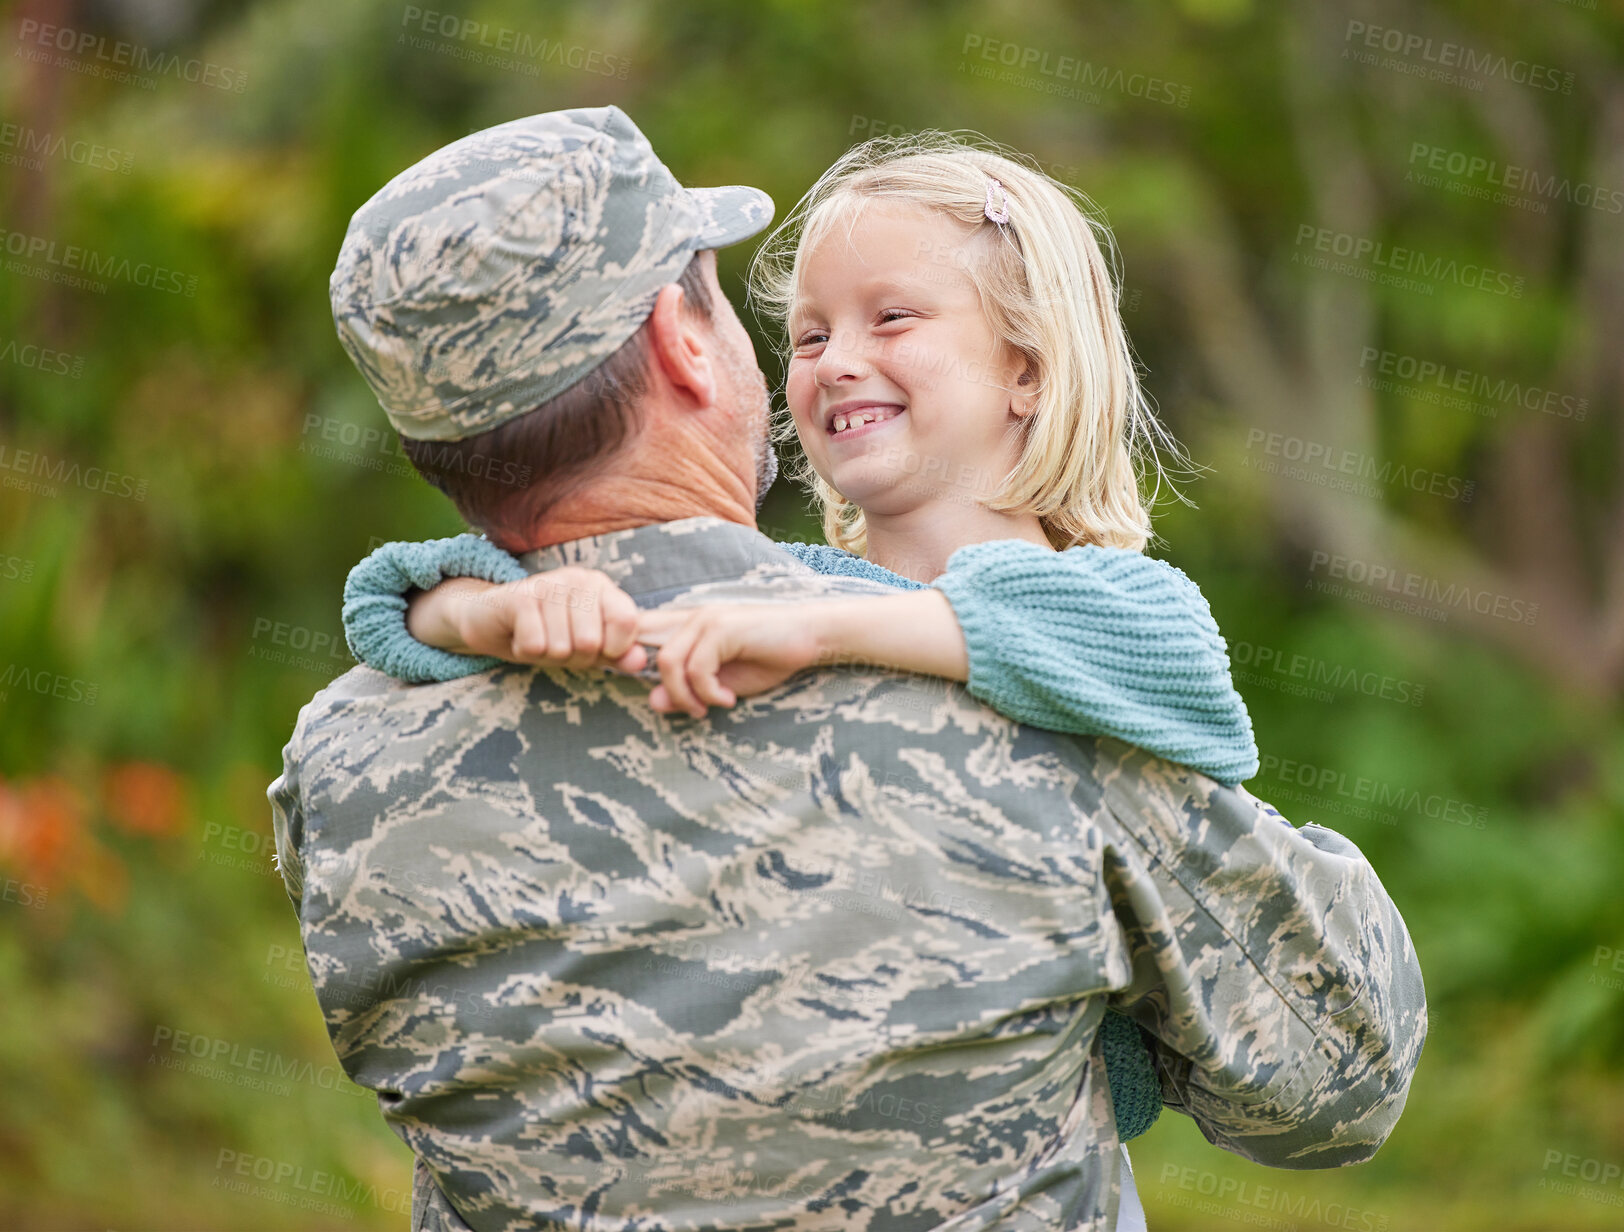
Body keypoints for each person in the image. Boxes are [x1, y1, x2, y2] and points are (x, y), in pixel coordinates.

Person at [270, 105, 1426, 1232]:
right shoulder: (1026, 725)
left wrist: (478, 614)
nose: (828, 360)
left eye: (890, 320)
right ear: (682, 342)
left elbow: (390, 600)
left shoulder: (340, 769)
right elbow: (1335, 1076)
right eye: (796, 327)